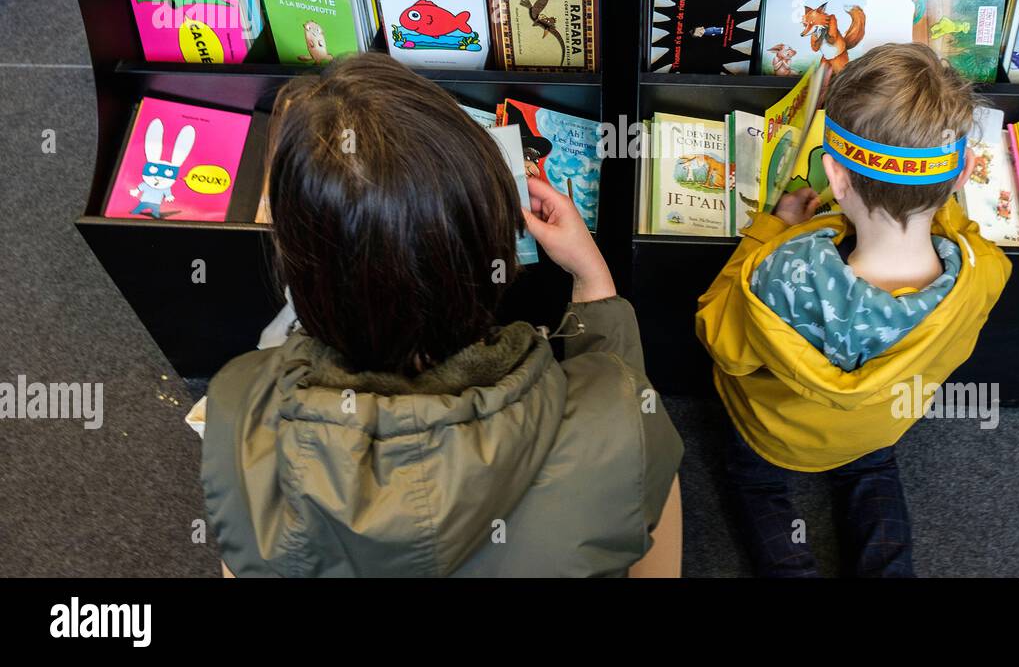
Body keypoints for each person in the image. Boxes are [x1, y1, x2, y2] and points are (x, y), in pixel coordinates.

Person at [201, 54, 683, 577]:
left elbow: (249, 562)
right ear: (492, 243)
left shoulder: (238, 407)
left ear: (299, 261)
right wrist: (595, 287)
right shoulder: (621, 426)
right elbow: (640, 520)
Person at [696, 44, 1012, 577]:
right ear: (963, 176)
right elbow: (957, 225)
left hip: (773, 431)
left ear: (834, 178)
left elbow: (720, 337)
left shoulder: (788, 271)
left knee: (754, 482)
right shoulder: (985, 269)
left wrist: (772, 230)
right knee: (872, 472)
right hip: (875, 428)